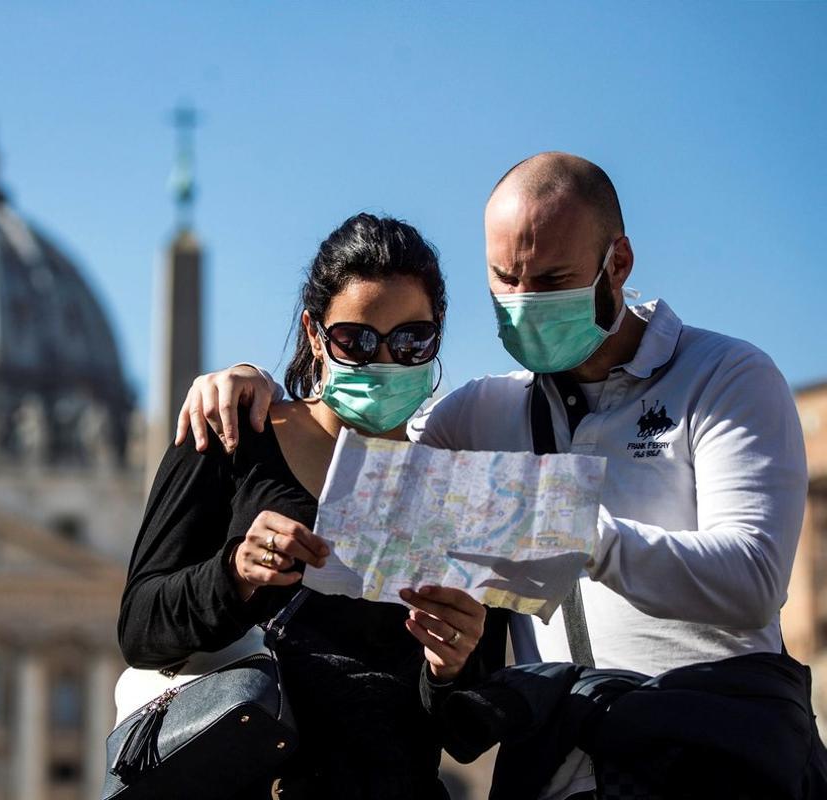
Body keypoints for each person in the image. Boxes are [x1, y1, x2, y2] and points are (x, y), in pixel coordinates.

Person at [174, 152, 810, 799]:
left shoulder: (725, 376)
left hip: (709, 758)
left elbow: (753, 580)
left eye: (551, 280)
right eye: (506, 280)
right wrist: (255, 386)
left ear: (617, 264)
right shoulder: (482, 413)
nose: (524, 303)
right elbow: (364, 457)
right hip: (555, 769)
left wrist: (579, 532)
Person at [118, 213, 494, 799]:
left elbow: (466, 733)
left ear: (437, 335)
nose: (385, 361)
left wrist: (455, 663)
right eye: (357, 340)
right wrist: (235, 574)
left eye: (411, 339)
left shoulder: (457, 486)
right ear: (315, 334)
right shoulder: (232, 436)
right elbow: (140, 628)